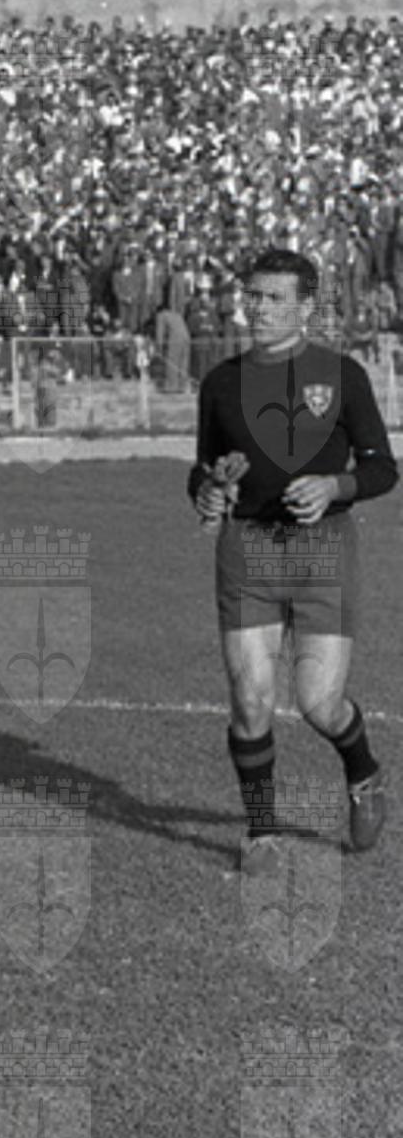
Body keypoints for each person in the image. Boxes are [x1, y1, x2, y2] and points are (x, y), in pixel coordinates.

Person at [190, 247, 395, 867]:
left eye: (274, 298)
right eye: (252, 296)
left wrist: (335, 486)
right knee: (250, 698)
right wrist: (209, 489)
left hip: (324, 552)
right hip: (247, 550)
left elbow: (382, 467)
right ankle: (261, 833)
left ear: (306, 307)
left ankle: (363, 773)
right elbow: (204, 467)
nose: (258, 308)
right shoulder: (221, 383)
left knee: (318, 703)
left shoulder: (342, 375)